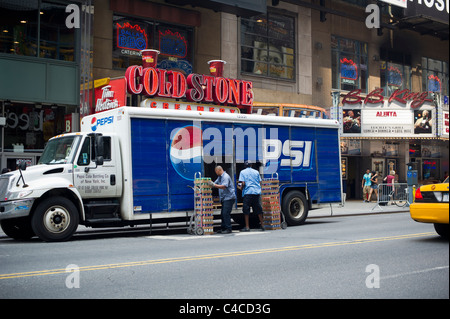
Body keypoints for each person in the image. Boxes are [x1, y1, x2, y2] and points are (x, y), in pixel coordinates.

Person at [237, 161, 264, 232]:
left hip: (248, 193)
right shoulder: (256, 172)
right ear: (251, 165)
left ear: (245, 166)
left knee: (246, 210)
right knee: (258, 209)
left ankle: (247, 227)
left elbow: (242, 182)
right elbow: (260, 182)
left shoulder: (242, 172)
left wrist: (239, 187)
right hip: (256, 192)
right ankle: (262, 225)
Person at [211, 166, 236, 234]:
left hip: (229, 198)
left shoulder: (225, 177)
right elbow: (215, 183)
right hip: (224, 198)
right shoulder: (220, 177)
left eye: (216, 172)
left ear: (219, 170)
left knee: (225, 213)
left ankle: (228, 228)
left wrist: (214, 185)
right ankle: (223, 228)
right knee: (222, 214)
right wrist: (209, 184)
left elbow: (224, 186)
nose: (216, 173)